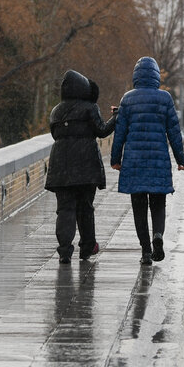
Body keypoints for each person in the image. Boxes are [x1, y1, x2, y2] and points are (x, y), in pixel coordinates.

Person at [110, 56, 184, 265]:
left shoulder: (127, 99)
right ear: (155, 77)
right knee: (158, 202)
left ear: (136, 76)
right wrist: (181, 159)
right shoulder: (165, 99)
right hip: (158, 160)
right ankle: (158, 235)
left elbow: (120, 134)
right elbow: (174, 132)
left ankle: (145, 251)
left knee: (139, 207)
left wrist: (115, 160)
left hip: (134, 161)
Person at [45, 70, 117, 264]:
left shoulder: (56, 111)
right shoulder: (89, 108)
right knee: (85, 208)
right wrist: (116, 118)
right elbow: (102, 131)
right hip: (85, 166)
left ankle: (64, 252)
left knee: (65, 210)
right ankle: (87, 247)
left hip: (60, 165)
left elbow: (55, 135)